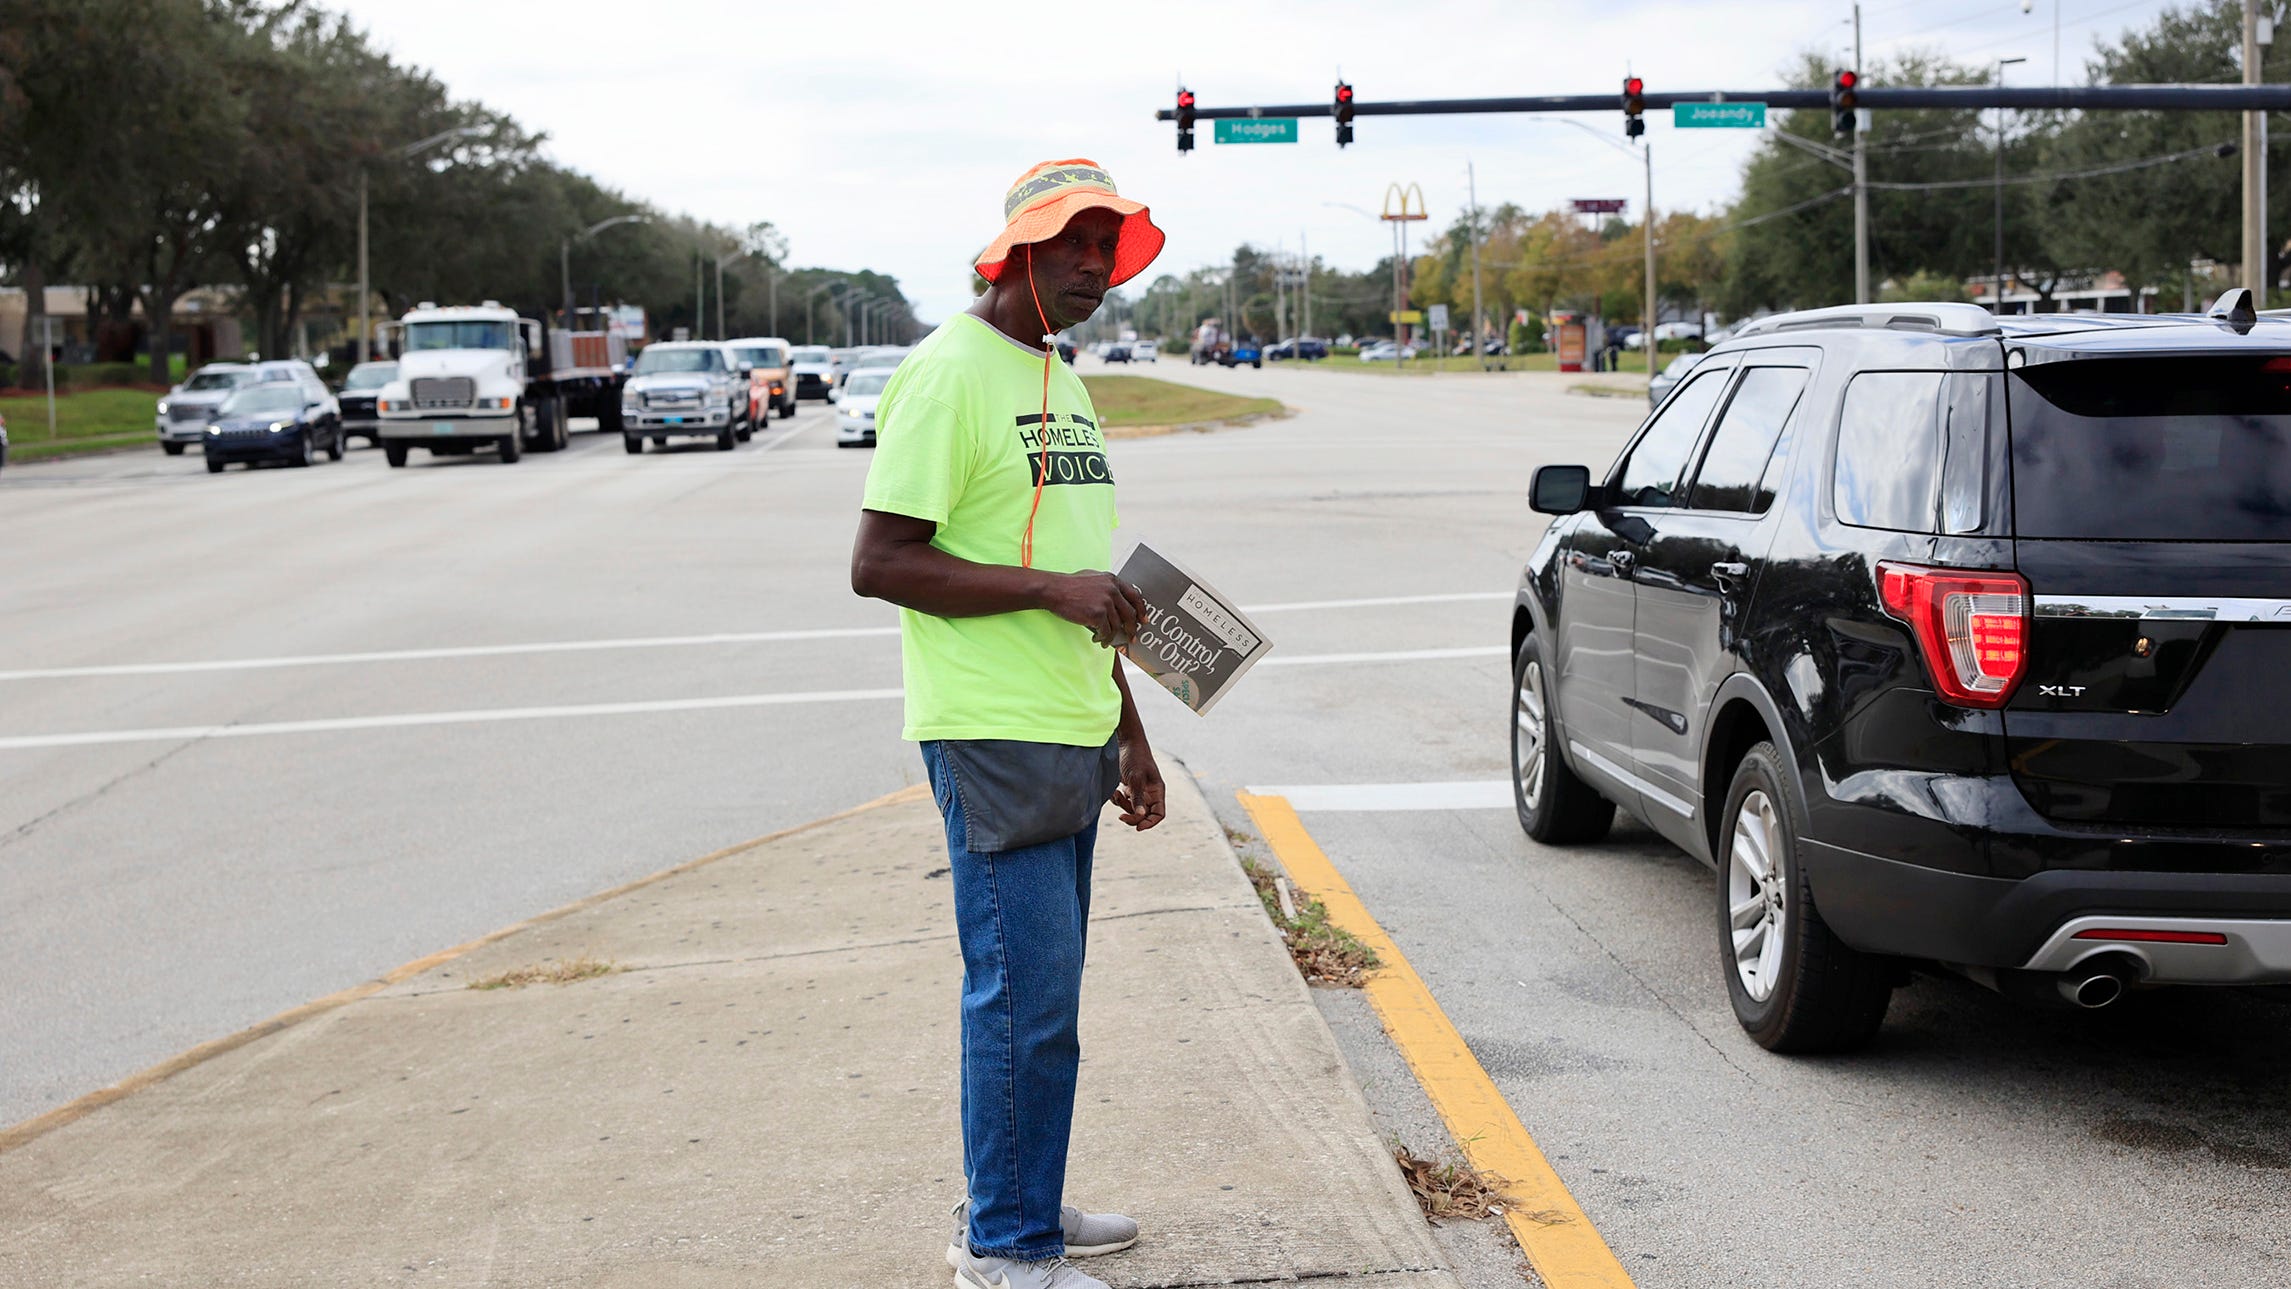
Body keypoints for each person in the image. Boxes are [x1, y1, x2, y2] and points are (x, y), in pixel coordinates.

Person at [848, 158, 1169, 1289]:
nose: (1095, 265)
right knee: (1020, 997)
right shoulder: (948, 375)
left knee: (1048, 999)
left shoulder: (1057, 377)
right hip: (989, 728)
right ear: (1017, 248)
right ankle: (1004, 1249)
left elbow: (1091, 578)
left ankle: (1016, 1197)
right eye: (1074, 242)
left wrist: (1130, 729)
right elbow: (879, 562)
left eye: (1107, 246)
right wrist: (1046, 595)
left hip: (1070, 719)